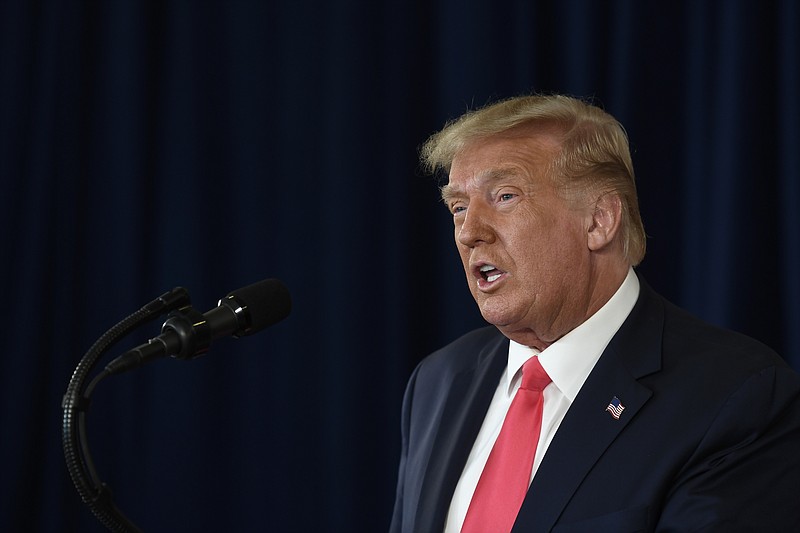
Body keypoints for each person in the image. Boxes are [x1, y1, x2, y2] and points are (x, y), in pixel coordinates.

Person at [389, 94, 800, 532]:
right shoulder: (437, 382)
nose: (469, 232)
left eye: (505, 196)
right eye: (459, 208)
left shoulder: (736, 398)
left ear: (599, 220)